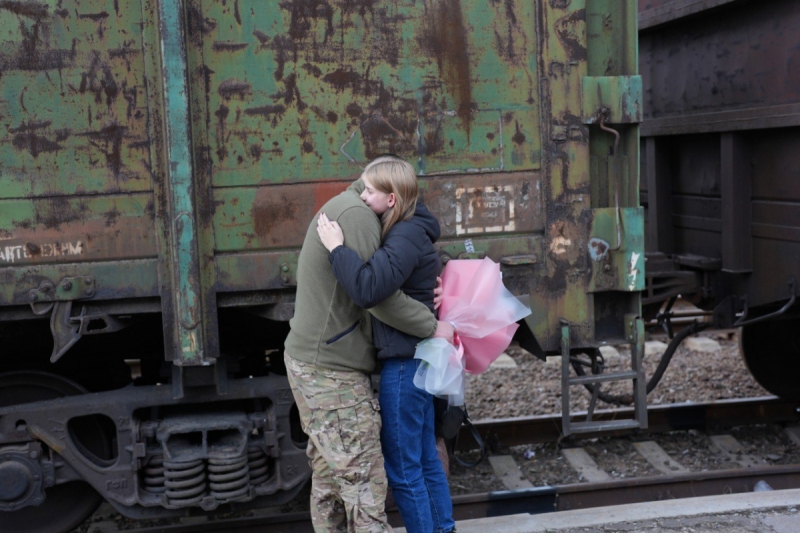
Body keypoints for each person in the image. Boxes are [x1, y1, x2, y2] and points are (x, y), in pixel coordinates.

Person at [284, 160, 455, 533]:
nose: (363, 195)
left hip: (402, 360)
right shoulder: (396, 221)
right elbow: (396, 274)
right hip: (403, 357)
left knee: (399, 468)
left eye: (370, 190)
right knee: (418, 458)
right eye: (363, 187)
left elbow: (370, 289)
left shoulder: (381, 224)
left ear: (391, 198)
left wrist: (337, 249)